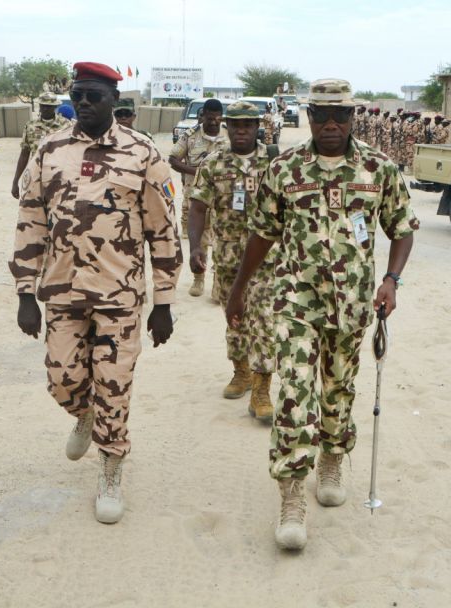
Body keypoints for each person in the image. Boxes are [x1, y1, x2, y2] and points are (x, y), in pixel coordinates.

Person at [225, 78, 419, 551]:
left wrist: (391, 280)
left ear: (354, 118)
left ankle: (332, 457)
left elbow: (401, 228)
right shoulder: (284, 168)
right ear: (308, 117)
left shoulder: (379, 167)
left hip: (352, 304)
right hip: (295, 300)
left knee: (338, 387)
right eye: (322, 115)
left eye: (341, 116)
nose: (331, 124)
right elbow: (262, 233)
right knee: (294, 392)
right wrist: (238, 288)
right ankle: (292, 493)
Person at [10, 62, 182, 524]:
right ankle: (83, 414)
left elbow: (164, 231)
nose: (83, 103)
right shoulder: (50, 149)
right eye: (77, 94)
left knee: (114, 380)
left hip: (120, 294)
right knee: (62, 379)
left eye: (93, 96)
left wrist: (164, 303)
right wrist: (26, 292)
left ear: (113, 100)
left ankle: (110, 465)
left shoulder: (143, 153)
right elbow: (31, 220)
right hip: (63, 290)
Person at [187, 101, 276, 421]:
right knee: (235, 319)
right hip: (227, 259)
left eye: (248, 125)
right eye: (235, 124)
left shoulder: (274, 162)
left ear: (257, 127)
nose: (241, 130)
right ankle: (242, 372)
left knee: (264, 320)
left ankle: (262, 387)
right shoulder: (213, 163)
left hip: (268, 260)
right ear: (227, 126)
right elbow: (198, 207)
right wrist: (196, 246)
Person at [169, 98, 228, 297]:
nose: (212, 122)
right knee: (201, 239)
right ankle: (199, 279)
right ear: (202, 116)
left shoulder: (228, 135)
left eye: (216, 118)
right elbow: (173, 159)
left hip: (223, 197)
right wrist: (196, 172)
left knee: (222, 239)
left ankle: (218, 283)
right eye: (209, 118)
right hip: (197, 196)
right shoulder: (190, 135)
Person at [11, 92, 71, 200]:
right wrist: (15, 181)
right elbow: (24, 154)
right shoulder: (30, 126)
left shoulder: (66, 125)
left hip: (59, 177)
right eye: (43, 106)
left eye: (49, 106)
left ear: (55, 107)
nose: (46, 109)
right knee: (33, 211)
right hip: (35, 176)